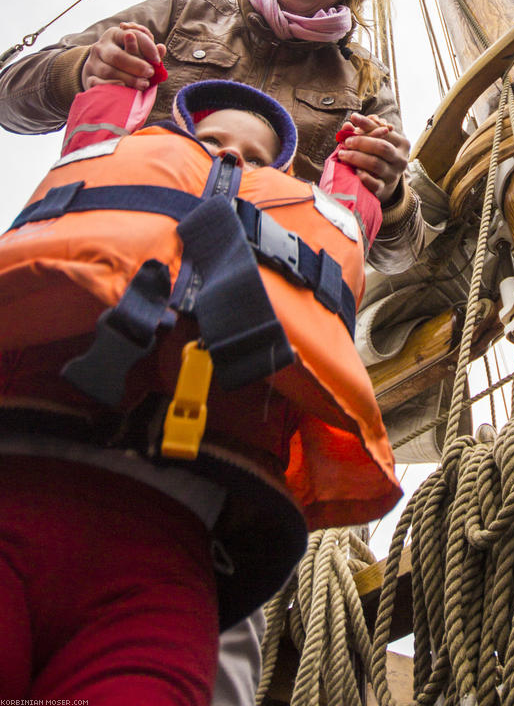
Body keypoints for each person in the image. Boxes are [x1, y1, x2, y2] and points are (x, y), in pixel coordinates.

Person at [0, 77, 402, 704]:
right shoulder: (146, 101)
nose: (232, 158)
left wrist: (371, 177)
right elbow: (70, 113)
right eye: (211, 139)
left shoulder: (351, 93)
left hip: (172, 554)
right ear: (171, 137)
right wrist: (100, 73)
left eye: (260, 158)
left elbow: (358, 213)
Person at [0, 0, 424, 272]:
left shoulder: (365, 81)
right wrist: (80, 71)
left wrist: (389, 194)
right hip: (105, 254)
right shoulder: (184, 11)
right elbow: (9, 97)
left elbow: (400, 254)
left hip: (255, 303)